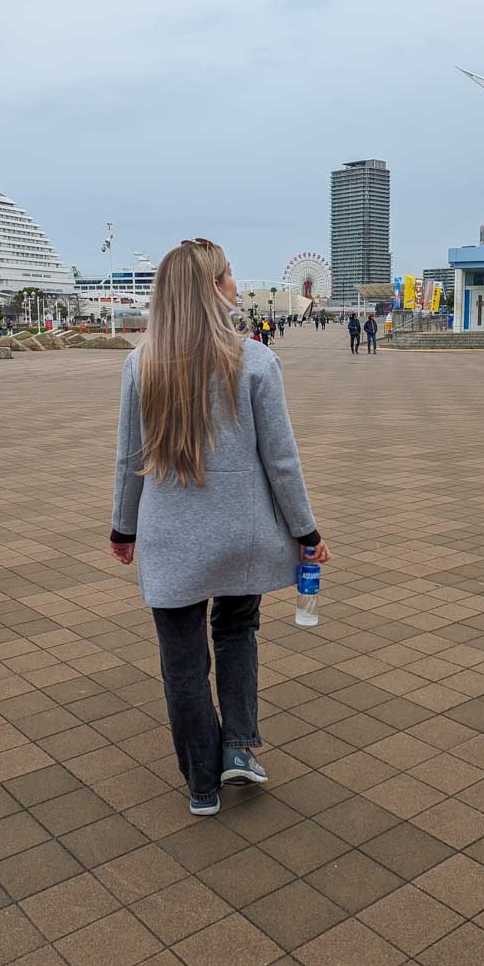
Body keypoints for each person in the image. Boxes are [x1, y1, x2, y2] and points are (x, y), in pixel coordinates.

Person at [110, 239, 331, 817]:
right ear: (212, 287)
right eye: (229, 275)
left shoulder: (142, 363)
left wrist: (123, 528)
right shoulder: (254, 360)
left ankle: (201, 783)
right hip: (241, 532)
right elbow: (281, 461)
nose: (235, 283)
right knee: (236, 632)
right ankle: (239, 746)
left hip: (169, 537)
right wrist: (306, 532)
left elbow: (129, 457)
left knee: (182, 661)